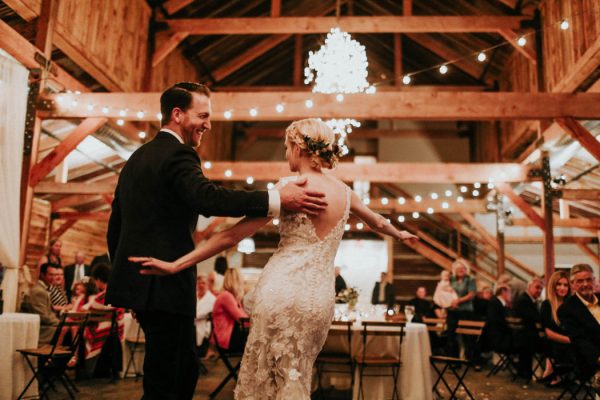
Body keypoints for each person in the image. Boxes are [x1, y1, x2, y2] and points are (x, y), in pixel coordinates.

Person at [131, 118, 418, 399]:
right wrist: (399, 234)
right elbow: (377, 222)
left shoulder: (289, 187)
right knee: (298, 371)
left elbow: (230, 236)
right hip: (318, 298)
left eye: (285, 147)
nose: (285, 154)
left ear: (297, 147)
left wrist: (176, 264)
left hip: (281, 291)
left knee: (265, 374)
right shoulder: (345, 193)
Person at [106, 82, 328, 400]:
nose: (209, 124)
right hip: (165, 286)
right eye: (203, 115)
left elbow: (117, 226)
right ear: (177, 114)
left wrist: (131, 287)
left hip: (145, 287)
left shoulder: (136, 159)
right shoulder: (179, 154)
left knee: (173, 372)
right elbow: (207, 198)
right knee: (172, 379)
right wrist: (276, 198)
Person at [558, 264, 600, 383]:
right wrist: (597, 358)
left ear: (594, 280)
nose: (585, 284)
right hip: (590, 360)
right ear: (572, 284)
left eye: (588, 279)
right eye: (580, 281)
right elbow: (580, 340)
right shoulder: (566, 309)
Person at [81, 264, 124, 380]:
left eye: (95, 280)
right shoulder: (116, 291)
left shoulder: (105, 294)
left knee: (83, 329)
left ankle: (82, 365)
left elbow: (89, 307)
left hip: (108, 330)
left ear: (99, 279)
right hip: (116, 328)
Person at [540, 270, 572, 386]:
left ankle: (553, 370)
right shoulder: (547, 305)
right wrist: (569, 340)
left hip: (566, 343)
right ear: (553, 286)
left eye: (565, 285)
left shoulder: (570, 305)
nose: (562, 288)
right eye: (558, 284)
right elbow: (548, 333)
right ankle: (553, 369)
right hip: (553, 343)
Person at [20, 263, 60, 344]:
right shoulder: (39, 291)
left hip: (46, 326)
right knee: (72, 330)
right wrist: (62, 322)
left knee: (73, 328)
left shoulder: (43, 289)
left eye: (55, 275)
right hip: (42, 330)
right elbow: (44, 318)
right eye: (50, 275)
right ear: (42, 275)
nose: (54, 278)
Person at [445, 259, 477, 361]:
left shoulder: (470, 279)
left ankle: (471, 360)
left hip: (465, 310)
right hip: (452, 310)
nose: (461, 270)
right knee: (451, 335)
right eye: (458, 269)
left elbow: (471, 294)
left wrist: (458, 301)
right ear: (455, 270)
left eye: (462, 268)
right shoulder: (451, 279)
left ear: (466, 269)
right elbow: (446, 291)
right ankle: (453, 360)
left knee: (467, 336)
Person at [513, 277, 544, 380]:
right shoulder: (524, 300)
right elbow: (534, 318)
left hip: (524, 337)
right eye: (537, 287)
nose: (539, 291)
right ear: (529, 286)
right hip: (524, 340)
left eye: (541, 289)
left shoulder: (527, 300)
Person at [212, 268, 249, 353]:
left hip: (227, 337)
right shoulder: (226, 296)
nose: (243, 283)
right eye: (241, 280)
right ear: (237, 281)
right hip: (226, 339)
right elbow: (242, 319)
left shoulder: (230, 296)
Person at [483, 285, 512, 355]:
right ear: (503, 292)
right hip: (495, 339)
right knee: (523, 344)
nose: (511, 295)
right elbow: (496, 322)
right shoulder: (494, 303)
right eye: (510, 292)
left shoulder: (500, 304)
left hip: (498, 337)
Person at [195, 274, 216, 356]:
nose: (201, 285)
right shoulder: (194, 296)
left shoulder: (212, 299)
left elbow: (199, 315)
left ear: (208, 285)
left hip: (202, 330)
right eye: (199, 283)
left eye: (203, 283)